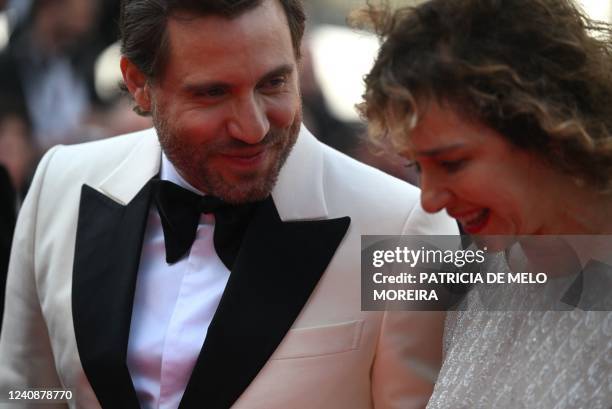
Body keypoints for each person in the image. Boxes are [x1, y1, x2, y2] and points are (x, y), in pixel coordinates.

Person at [0, 1, 458, 408]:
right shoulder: (60, 184)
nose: (254, 127)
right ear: (139, 85)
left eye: (273, 82)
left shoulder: (401, 228)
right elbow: (28, 390)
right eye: (213, 93)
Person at [356, 0, 612, 407]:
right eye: (418, 167)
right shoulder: (480, 275)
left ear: (546, 127)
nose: (430, 199)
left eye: (452, 163)